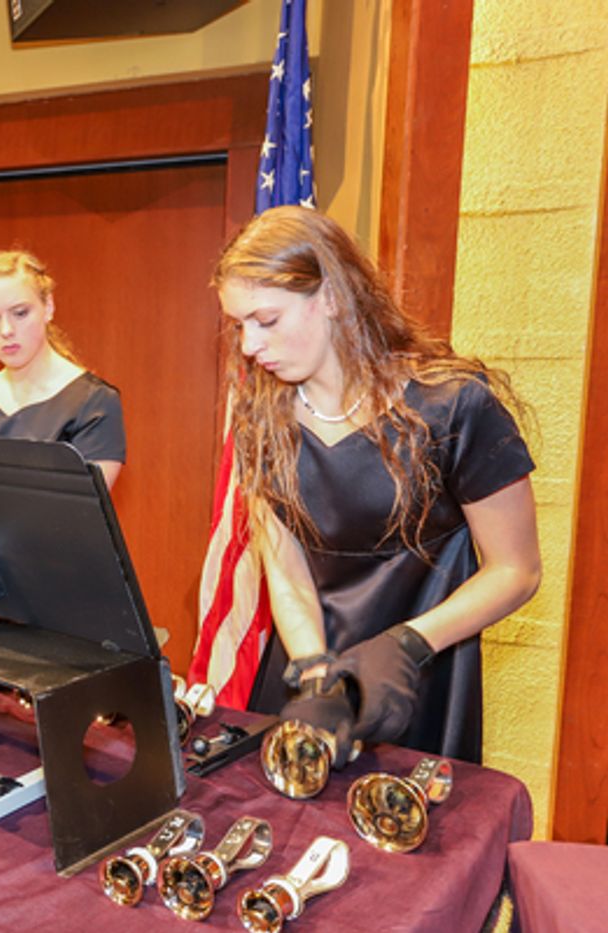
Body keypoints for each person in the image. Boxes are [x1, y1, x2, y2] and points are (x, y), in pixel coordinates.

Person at [213, 205, 540, 764]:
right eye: (239, 324)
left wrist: (408, 645)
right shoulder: (259, 415)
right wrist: (315, 672)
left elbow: (517, 570)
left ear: (334, 297)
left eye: (266, 321)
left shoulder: (454, 406)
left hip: (417, 672)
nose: (248, 345)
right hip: (306, 666)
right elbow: (286, 568)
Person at [0, 249, 125, 489]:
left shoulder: (95, 402)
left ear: (48, 307)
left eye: (20, 313)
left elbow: (82, 513)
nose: (6, 330)